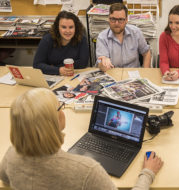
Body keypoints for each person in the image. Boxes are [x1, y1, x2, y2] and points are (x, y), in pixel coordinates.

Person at [0, 88, 163, 190]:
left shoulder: (11, 154)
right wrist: (147, 173)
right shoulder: (87, 170)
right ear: (54, 121)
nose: (62, 111)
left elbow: (5, 180)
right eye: (59, 107)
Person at [96, 3, 151, 71]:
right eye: (113, 19)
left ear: (126, 20)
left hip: (134, 74)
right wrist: (103, 63)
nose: (116, 23)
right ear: (108, 19)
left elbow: (146, 53)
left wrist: (145, 71)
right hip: (113, 73)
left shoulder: (136, 32)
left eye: (120, 19)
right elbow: (101, 65)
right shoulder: (102, 37)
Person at [33, 11, 89, 76]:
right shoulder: (47, 40)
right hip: (52, 76)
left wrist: (53, 67)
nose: (68, 31)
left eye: (71, 27)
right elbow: (37, 65)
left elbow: (83, 63)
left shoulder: (81, 38)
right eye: (64, 27)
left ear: (76, 28)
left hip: (74, 75)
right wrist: (58, 70)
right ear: (57, 27)